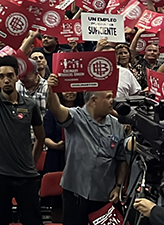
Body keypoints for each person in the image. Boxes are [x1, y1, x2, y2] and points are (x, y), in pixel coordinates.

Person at [0, 32, 44, 225]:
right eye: (1, 76)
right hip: (0, 176)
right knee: (1, 221)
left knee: (33, 221)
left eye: (10, 75)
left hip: (27, 176)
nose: (6, 80)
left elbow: (40, 137)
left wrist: (32, 162)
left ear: (16, 77)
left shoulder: (30, 105)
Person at [46, 74, 128, 225]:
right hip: (75, 194)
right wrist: (51, 89)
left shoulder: (117, 125)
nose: (113, 101)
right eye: (108, 97)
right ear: (94, 100)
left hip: (104, 195)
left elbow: (121, 160)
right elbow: (56, 108)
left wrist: (118, 186)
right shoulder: (75, 117)